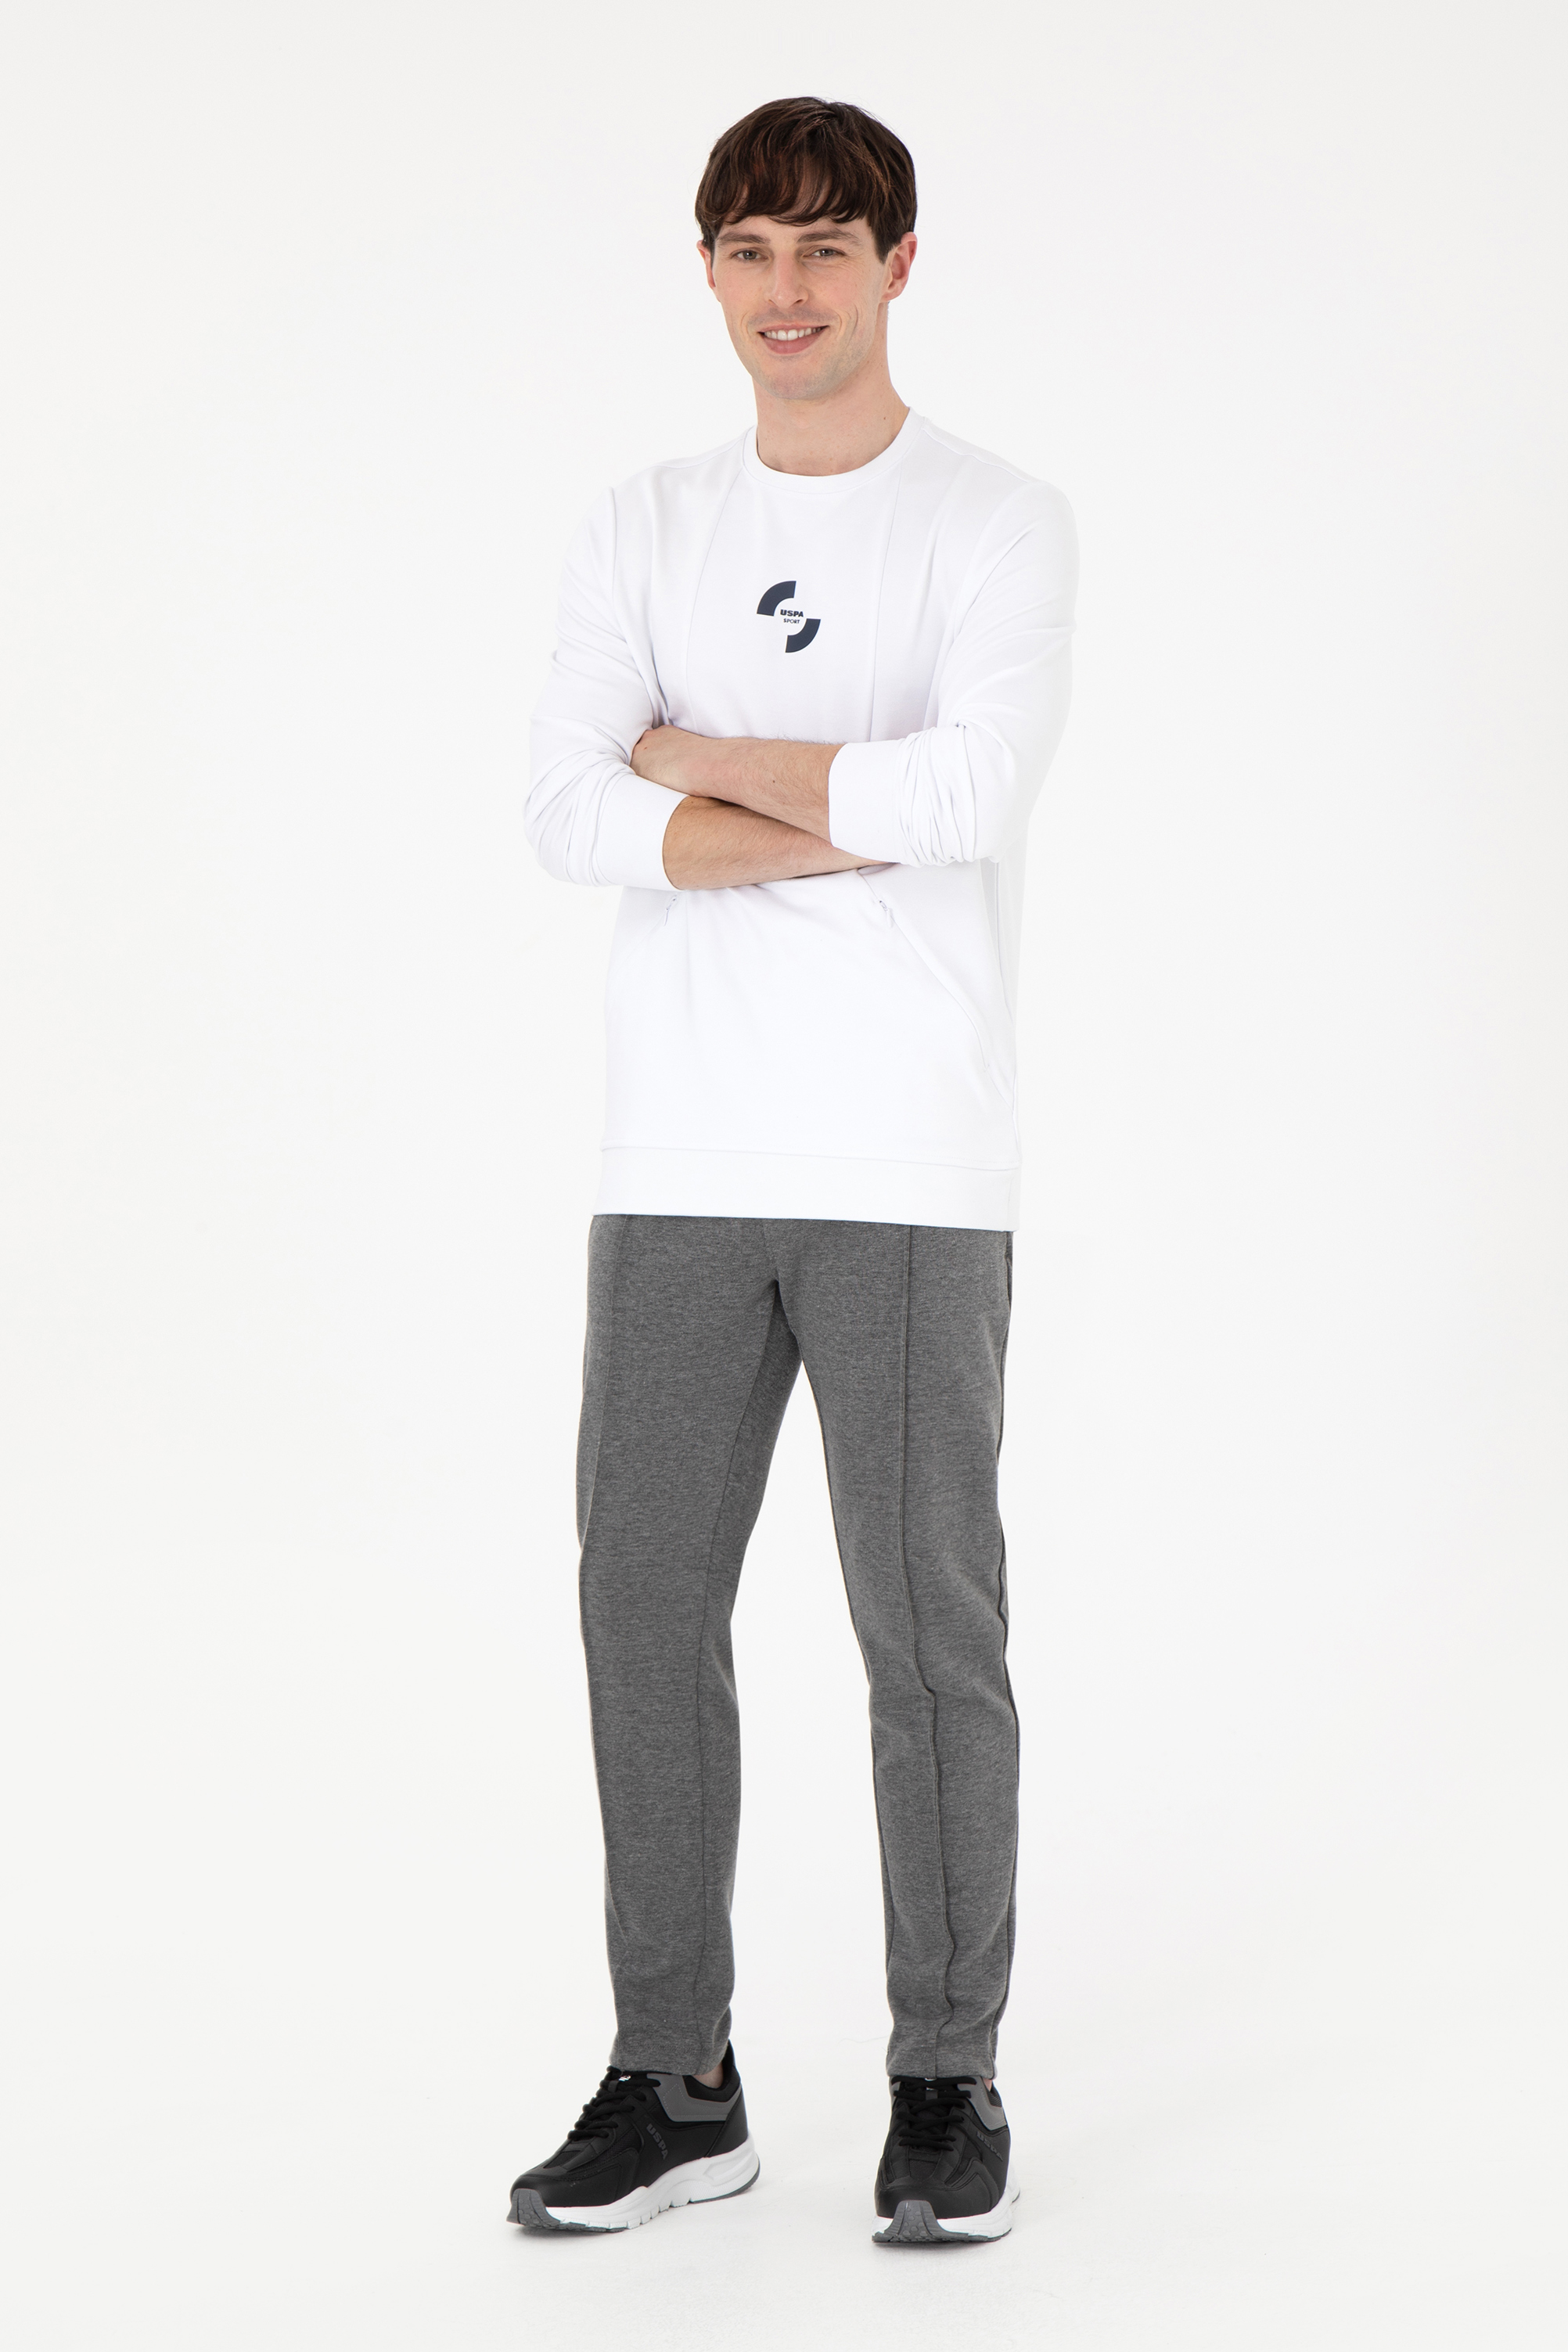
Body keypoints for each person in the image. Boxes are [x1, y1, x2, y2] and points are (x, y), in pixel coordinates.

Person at [509, 94, 1077, 2246]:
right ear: (709, 271)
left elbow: (971, 791)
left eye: (828, 246)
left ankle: (946, 2077)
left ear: (898, 266)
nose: (788, 288)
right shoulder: (640, 520)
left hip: (908, 1155)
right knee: (639, 1606)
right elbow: (563, 810)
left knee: (924, 1626)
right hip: (676, 1147)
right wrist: (847, 806)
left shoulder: (993, 519)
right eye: (750, 248)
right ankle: (676, 2082)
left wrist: (700, 767)